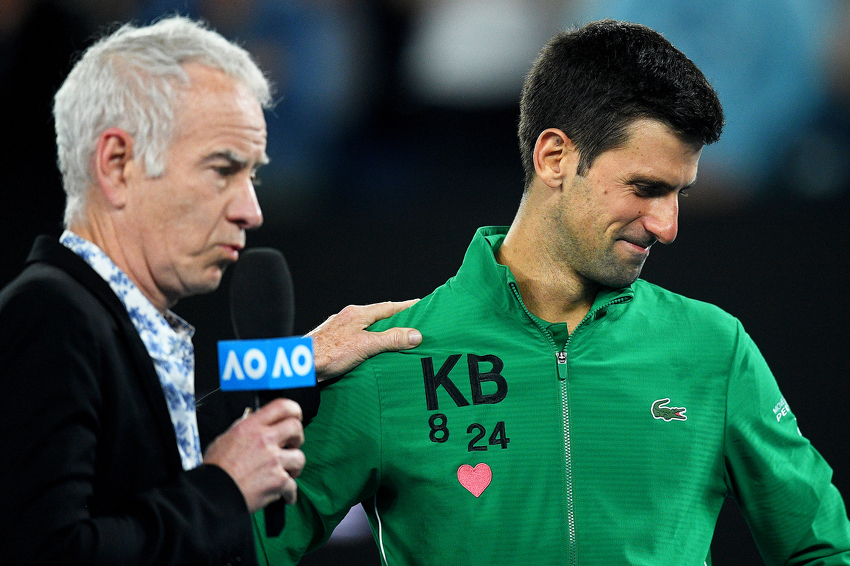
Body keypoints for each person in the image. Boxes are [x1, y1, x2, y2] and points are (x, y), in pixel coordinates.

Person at [255, 20, 850, 565]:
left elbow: (820, 549)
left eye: (679, 194)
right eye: (644, 187)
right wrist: (277, 367)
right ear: (555, 157)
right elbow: (232, 541)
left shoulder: (716, 349)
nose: (667, 226)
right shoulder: (388, 355)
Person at [0, 16, 421, 566]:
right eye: (223, 170)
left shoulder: (95, 316)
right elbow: (50, 555)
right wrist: (224, 487)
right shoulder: (51, 317)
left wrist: (301, 361)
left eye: (253, 176)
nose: (251, 210)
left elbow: (147, 470)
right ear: (117, 164)